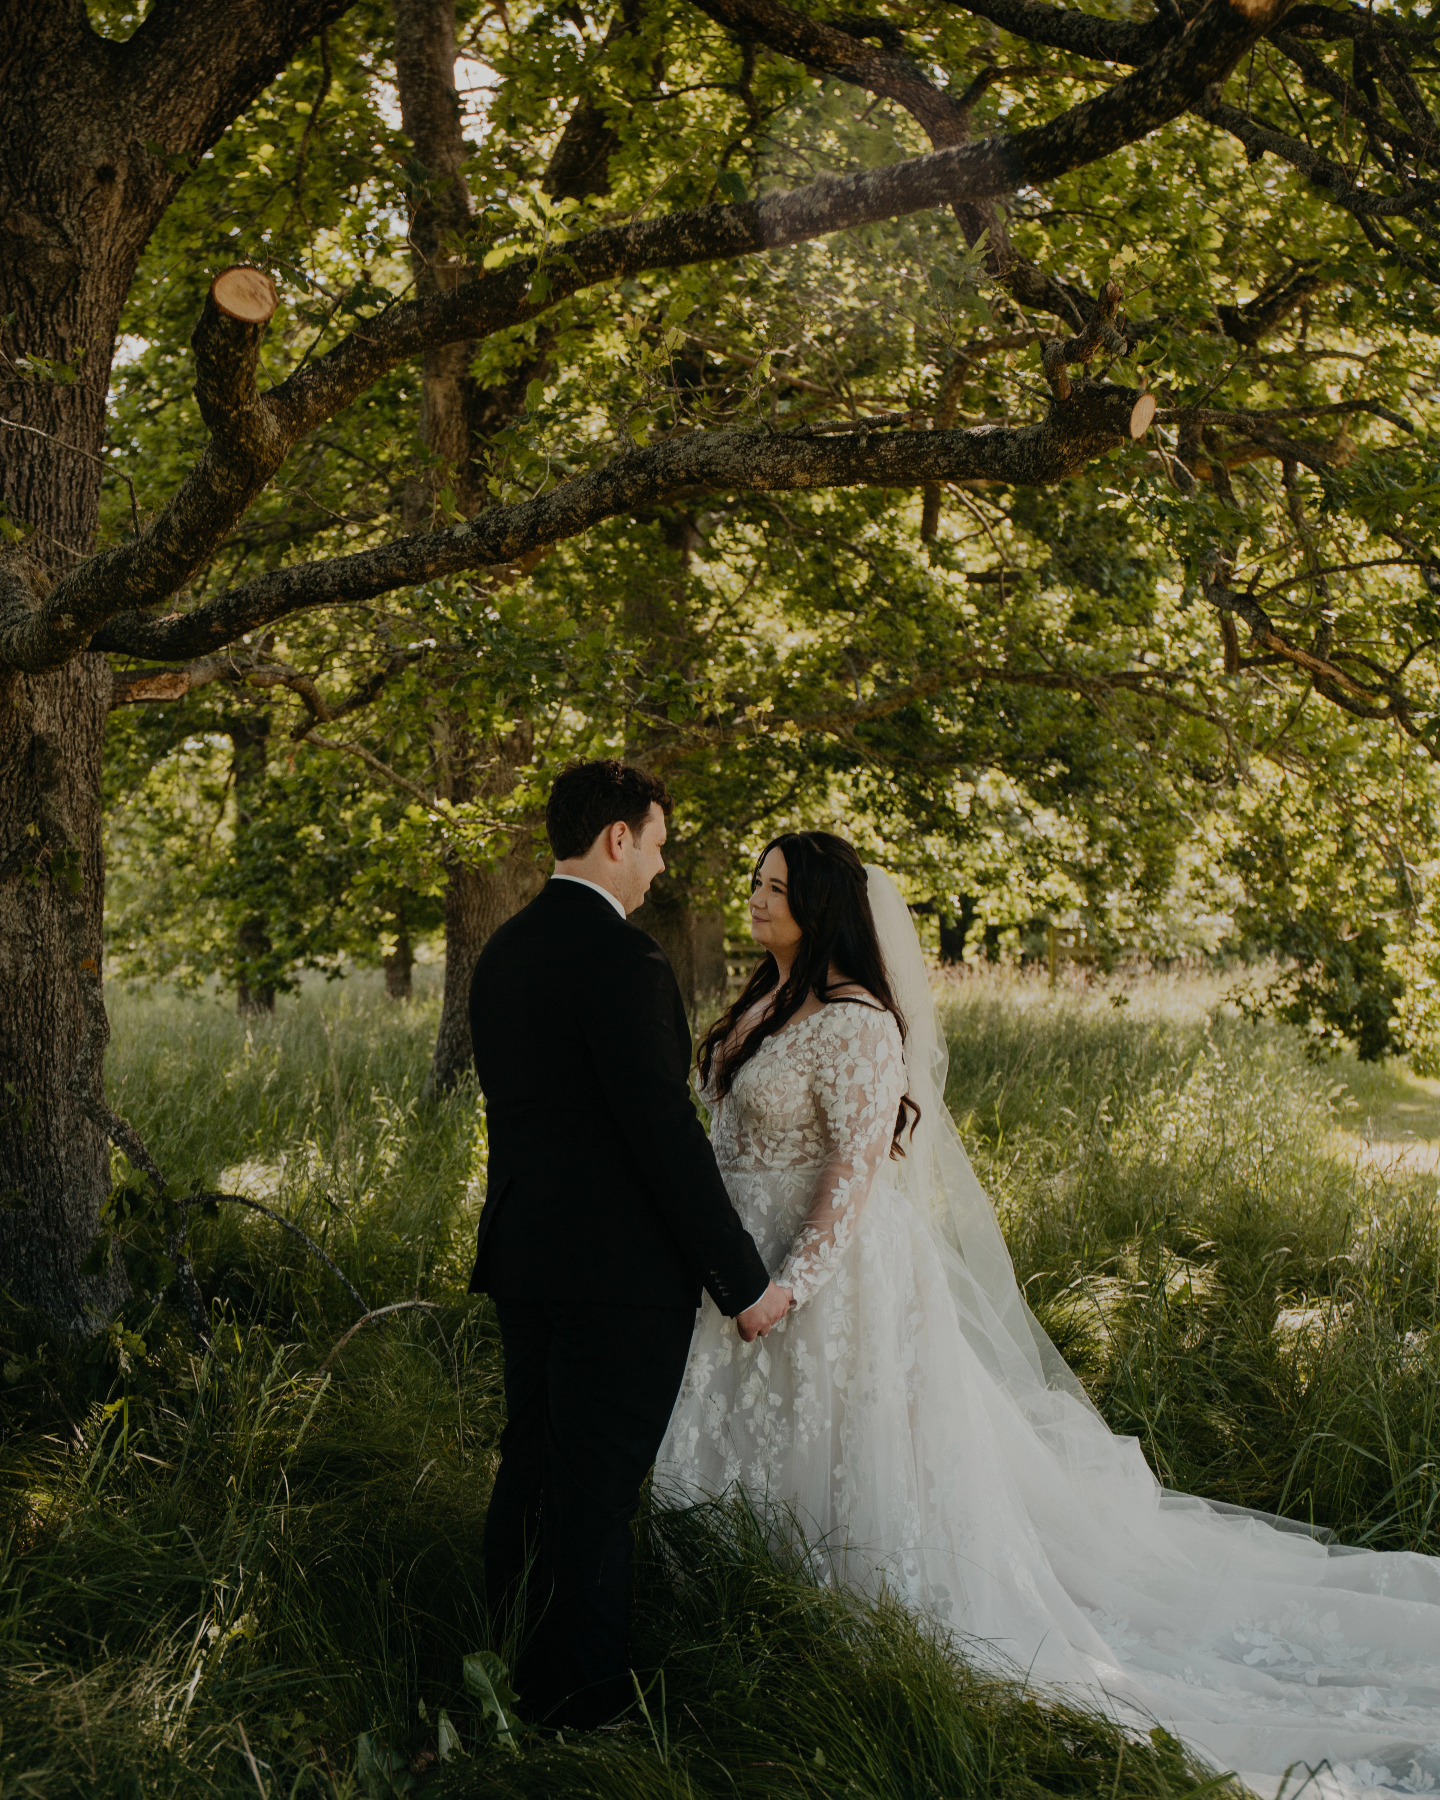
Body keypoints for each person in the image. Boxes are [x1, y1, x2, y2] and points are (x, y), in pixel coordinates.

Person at [656, 830, 1440, 1800]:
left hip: (825, 1280)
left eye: (778, 887)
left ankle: (841, 1628)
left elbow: (853, 1181)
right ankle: (728, 1603)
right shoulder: (764, 1003)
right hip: (731, 1270)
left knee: (834, 1451)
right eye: (757, 880)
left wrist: (789, 1287)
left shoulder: (859, 1023)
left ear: (823, 906)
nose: (758, 898)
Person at [468, 761, 789, 1730]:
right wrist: (741, 1280)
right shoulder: (626, 962)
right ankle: (585, 1703)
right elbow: (661, 1136)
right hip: (618, 1274)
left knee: (532, 1467)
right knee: (598, 1492)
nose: (657, 866)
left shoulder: (506, 952)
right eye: (655, 843)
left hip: (527, 1255)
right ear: (618, 838)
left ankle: (508, 1664)